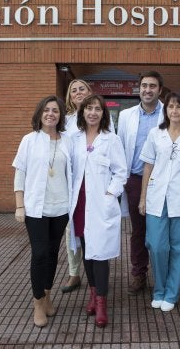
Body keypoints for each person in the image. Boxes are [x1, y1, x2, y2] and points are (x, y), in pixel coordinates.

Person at [12, 95, 72, 328]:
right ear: (40, 114)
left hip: (60, 207)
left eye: (55, 111)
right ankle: (37, 302)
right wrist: (19, 204)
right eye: (47, 110)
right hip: (36, 208)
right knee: (39, 254)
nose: (51, 114)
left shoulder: (67, 141)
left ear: (60, 116)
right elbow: (20, 172)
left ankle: (47, 295)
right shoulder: (29, 140)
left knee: (53, 253)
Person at [68, 94, 127, 328]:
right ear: (82, 112)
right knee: (86, 250)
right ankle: (92, 295)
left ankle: (101, 302)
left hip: (101, 203)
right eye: (89, 108)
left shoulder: (110, 140)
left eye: (97, 109)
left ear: (104, 114)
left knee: (100, 253)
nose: (93, 112)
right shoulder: (73, 139)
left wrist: (110, 194)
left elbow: (120, 172)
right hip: (80, 203)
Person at [138, 92, 180, 312]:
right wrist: (143, 197)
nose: (174, 111)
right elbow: (148, 166)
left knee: (179, 248)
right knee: (157, 245)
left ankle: (171, 293)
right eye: (171, 106)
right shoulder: (155, 133)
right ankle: (159, 290)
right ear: (166, 110)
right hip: (155, 197)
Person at [61, 79, 114, 293]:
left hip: (96, 186)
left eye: (81, 88)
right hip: (73, 186)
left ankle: (97, 287)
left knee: (94, 236)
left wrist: (110, 192)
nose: (78, 92)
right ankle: (75, 273)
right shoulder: (65, 121)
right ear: (70, 96)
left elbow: (112, 158)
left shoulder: (102, 121)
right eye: (73, 90)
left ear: (89, 92)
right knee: (73, 232)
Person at [117, 71, 165, 294]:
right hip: (135, 179)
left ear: (160, 90)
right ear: (139, 88)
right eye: (144, 85)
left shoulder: (170, 113)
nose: (147, 90)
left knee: (162, 231)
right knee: (138, 230)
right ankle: (139, 273)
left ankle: (163, 276)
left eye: (152, 86)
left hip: (164, 181)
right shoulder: (126, 115)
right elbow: (119, 147)